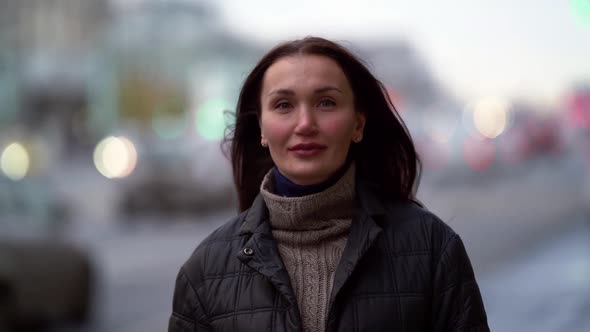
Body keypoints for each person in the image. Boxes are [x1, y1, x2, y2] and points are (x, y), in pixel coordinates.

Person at [168, 36, 489, 332]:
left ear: (358, 125)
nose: (305, 123)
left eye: (326, 103)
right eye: (283, 105)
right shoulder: (205, 273)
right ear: (261, 129)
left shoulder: (432, 249)